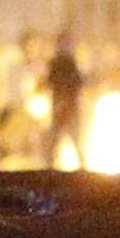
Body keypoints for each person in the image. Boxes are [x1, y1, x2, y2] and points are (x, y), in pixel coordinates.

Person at [45, 31, 87, 172]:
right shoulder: (59, 63)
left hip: (67, 107)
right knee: (57, 140)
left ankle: (80, 168)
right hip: (62, 106)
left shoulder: (68, 63)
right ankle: (50, 169)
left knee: (73, 139)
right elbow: (52, 83)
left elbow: (76, 84)